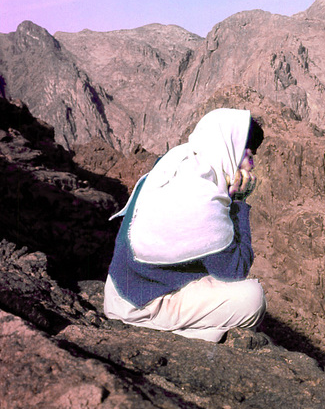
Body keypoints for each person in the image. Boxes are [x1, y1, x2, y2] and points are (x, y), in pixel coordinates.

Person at [103, 108, 266, 342]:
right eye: (249, 155)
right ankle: (176, 332)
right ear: (230, 150)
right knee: (253, 298)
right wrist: (239, 202)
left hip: (120, 290)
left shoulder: (176, 161)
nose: (251, 165)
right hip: (140, 307)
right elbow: (235, 270)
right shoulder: (203, 199)